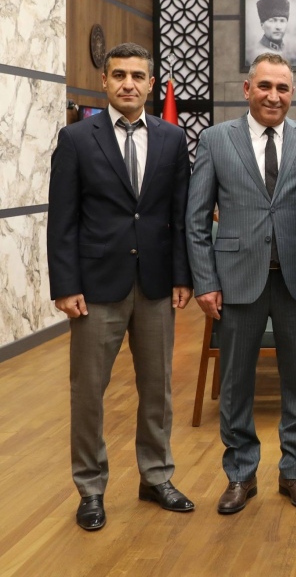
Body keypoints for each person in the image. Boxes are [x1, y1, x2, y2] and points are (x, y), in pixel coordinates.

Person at [48, 42, 195, 531]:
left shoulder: (173, 138)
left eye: (136, 76)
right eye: (118, 75)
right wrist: (65, 285)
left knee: (158, 389)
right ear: (105, 81)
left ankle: (156, 476)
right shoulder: (76, 139)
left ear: (151, 84)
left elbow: (178, 215)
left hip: (156, 284)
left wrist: (182, 276)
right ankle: (90, 488)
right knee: (89, 392)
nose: (128, 84)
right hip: (95, 287)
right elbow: (62, 219)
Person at [186, 52, 296, 515]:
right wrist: (205, 281)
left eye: (283, 88)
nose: (274, 96)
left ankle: (295, 472)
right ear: (247, 89)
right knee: (236, 383)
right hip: (236, 281)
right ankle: (240, 474)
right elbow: (196, 219)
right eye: (265, 86)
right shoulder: (215, 140)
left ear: (292, 93)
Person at [248, 0, 296, 67]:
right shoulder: (255, 54)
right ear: (262, 24)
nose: (278, 27)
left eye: (282, 21)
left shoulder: (291, 52)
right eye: (272, 21)